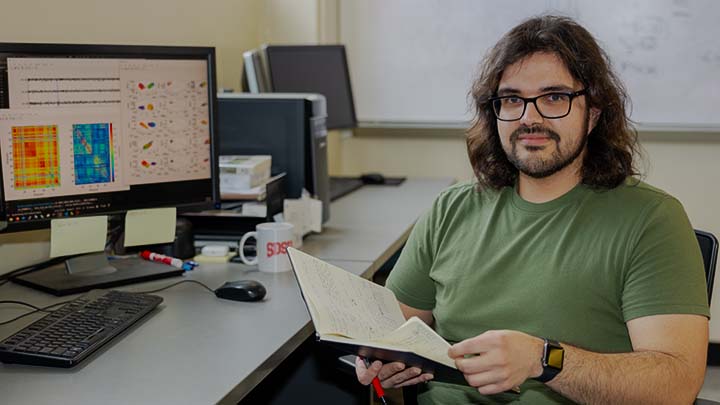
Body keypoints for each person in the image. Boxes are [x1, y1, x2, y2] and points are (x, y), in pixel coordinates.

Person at [355, 15, 710, 404]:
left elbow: (676, 384)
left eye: (554, 97)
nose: (530, 117)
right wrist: (378, 360)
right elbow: (389, 334)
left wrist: (544, 359)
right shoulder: (450, 210)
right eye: (512, 99)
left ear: (592, 114)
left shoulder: (651, 219)